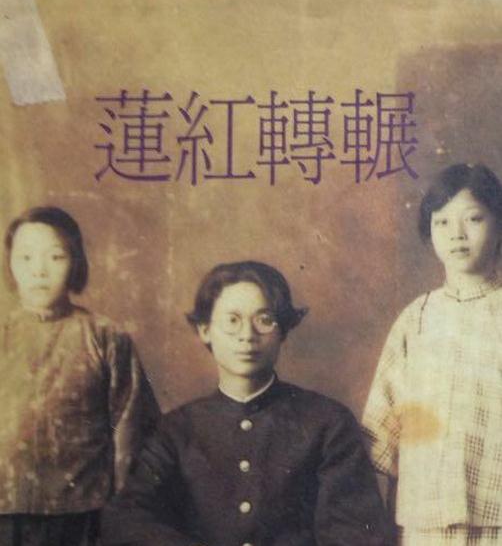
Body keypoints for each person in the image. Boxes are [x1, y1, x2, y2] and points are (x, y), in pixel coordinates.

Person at [102, 260, 392, 546]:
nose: (247, 336)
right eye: (232, 321)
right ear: (205, 330)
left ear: (282, 331)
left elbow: (355, 535)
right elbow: (127, 517)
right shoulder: (176, 429)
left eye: (264, 320)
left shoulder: (328, 423)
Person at [0, 206, 158, 546]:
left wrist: (121, 511)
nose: (39, 270)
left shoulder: (106, 336)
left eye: (55, 257)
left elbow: (130, 427)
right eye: (26, 257)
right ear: (10, 263)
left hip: (82, 509)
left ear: (75, 262)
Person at [363, 164, 502, 545]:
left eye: (473, 218)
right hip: (424, 517)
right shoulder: (417, 318)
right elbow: (381, 428)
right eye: (442, 222)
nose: (457, 234)